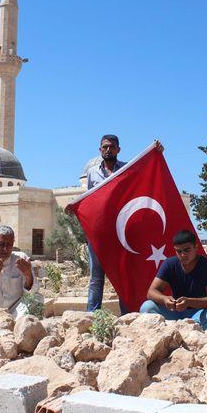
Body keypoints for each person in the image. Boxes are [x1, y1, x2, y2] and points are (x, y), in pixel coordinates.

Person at [140, 229, 207, 331]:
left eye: (187, 250)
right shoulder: (169, 264)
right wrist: (164, 299)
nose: (183, 255)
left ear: (196, 247)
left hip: (198, 314)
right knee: (147, 307)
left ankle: (199, 338)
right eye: (179, 251)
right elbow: (151, 292)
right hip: (174, 313)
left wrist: (189, 302)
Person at [83, 134, 127, 312]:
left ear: (118, 149)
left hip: (121, 232)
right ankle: (92, 315)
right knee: (96, 277)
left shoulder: (126, 169)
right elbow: (88, 200)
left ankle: (128, 314)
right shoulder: (92, 173)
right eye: (105, 147)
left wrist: (157, 152)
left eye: (112, 147)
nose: (108, 150)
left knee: (122, 275)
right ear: (100, 150)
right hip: (99, 233)